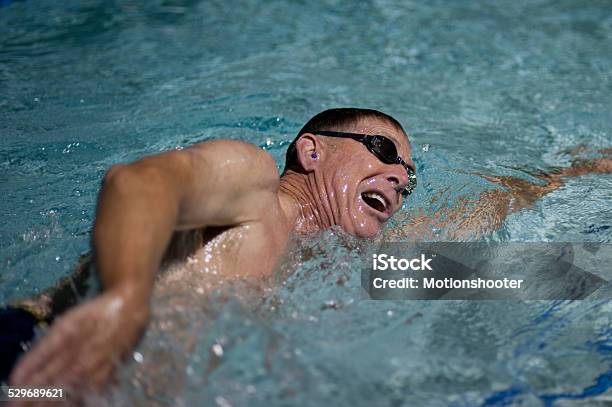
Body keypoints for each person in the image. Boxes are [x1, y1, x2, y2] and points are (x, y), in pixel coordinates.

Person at [6, 108, 612, 394]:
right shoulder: (251, 187)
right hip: (37, 361)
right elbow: (136, 184)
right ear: (312, 151)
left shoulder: (334, 258)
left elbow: (490, 226)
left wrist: (586, 170)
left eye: (410, 176)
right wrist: (125, 299)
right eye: (381, 149)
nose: (400, 178)